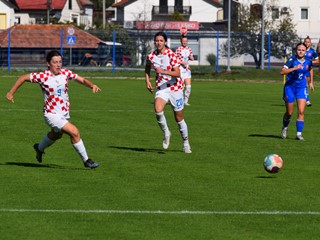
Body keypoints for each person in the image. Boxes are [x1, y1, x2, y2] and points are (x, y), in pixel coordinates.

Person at [6, 50, 101, 168]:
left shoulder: (65, 73)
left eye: (60, 62)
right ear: (48, 63)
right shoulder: (43, 76)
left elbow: (81, 80)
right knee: (74, 132)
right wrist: (11, 93)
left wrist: (92, 85)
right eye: (55, 62)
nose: (58, 65)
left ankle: (39, 148)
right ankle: (87, 161)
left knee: (56, 135)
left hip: (64, 113)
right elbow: (23, 77)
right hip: (51, 114)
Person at [145, 31, 191, 153]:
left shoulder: (171, 55)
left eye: (161, 41)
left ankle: (186, 143)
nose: (158, 43)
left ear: (165, 42)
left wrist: (163, 71)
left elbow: (177, 73)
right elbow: (147, 67)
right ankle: (166, 132)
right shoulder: (151, 55)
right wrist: (147, 81)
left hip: (175, 88)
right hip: (162, 88)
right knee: (158, 110)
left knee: (179, 118)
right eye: (157, 40)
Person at [280, 42, 313, 141]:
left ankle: (299, 134)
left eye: (303, 50)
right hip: (290, 87)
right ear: (296, 50)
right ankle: (284, 128)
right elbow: (282, 71)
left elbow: (310, 69)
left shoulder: (308, 61)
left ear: (306, 51)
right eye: (299, 49)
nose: (301, 51)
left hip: (301, 88)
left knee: (301, 111)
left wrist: (311, 82)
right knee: (289, 112)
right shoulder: (292, 60)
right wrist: (295, 68)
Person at [175, 35, 194, 106]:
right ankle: (178, 100)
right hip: (180, 70)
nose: (185, 42)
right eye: (183, 41)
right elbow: (175, 59)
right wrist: (182, 62)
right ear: (181, 41)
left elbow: (191, 56)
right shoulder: (178, 49)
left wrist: (191, 58)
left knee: (188, 87)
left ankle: (185, 101)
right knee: (180, 87)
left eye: (186, 41)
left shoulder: (189, 49)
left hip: (187, 70)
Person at [303, 36, 318, 107]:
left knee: (305, 85)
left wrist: (310, 62)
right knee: (302, 85)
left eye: (308, 42)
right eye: (305, 41)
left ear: (310, 43)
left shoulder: (312, 51)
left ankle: (307, 100)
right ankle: (306, 100)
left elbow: (318, 60)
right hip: (299, 70)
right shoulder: (301, 49)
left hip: (307, 71)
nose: (306, 43)